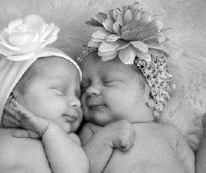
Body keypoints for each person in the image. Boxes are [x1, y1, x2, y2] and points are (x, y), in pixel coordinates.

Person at [0, 14, 89, 173]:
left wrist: (49, 130)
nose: (77, 102)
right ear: (13, 99)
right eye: (60, 91)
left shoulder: (67, 140)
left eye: (78, 94)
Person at [78, 2, 195, 173]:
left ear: (150, 97)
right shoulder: (92, 131)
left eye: (108, 81)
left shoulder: (170, 133)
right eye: (83, 87)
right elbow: (79, 168)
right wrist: (106, 138)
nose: (90, 91)